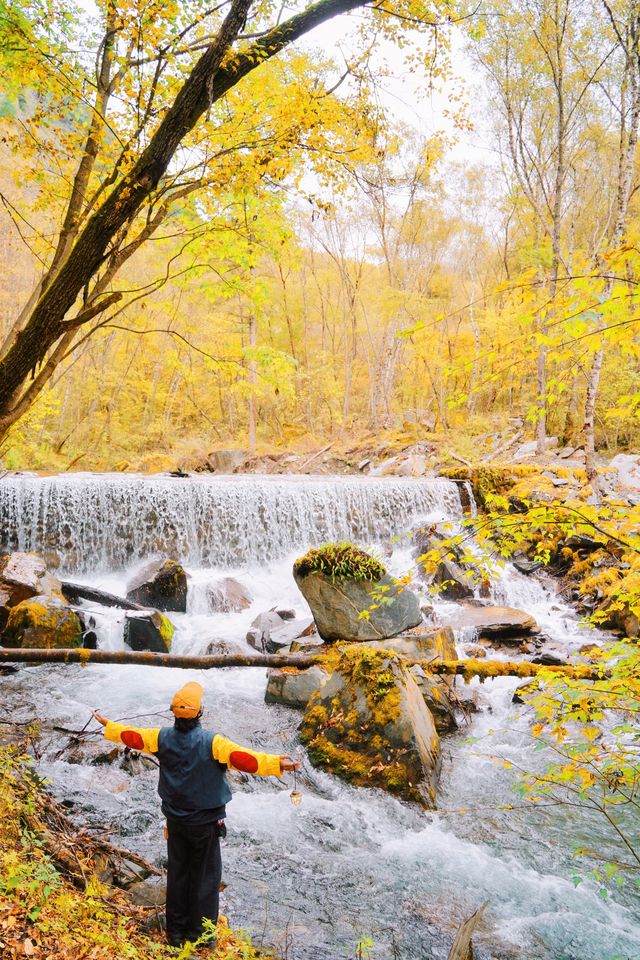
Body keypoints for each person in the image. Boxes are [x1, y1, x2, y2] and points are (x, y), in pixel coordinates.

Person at [92, 681, 299, 948]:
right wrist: (278, 764)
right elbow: (246, 760)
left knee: (178, 874)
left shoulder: (160, 737)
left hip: (175, 821)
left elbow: (132, 736)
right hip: (206, 824)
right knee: (206, 878)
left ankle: (176, 934)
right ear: (199, 712)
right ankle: (202, 936)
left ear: (173, 712)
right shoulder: (213, 743)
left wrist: (108, 725)